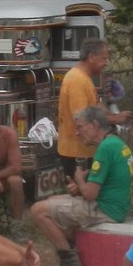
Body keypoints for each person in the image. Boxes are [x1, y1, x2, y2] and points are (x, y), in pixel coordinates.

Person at [29, 107, 133, 266]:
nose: (77, 133)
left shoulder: (105, 149)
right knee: (53, 200)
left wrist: (78, 179)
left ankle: (70, 265)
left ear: (94, 125)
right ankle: (73, 251)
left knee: (37, 210)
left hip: (105, 209)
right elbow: (103, 182)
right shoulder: (115, 143)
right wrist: (80, 187)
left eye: (80, 127)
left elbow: (90, 194)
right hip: (117, 205)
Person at [55, 39, 110, 180]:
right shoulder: (77, 80)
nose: (106, 63)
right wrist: (113, 120)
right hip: (77, 154)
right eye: (104, 58)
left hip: (87, 151)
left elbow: (96, 105)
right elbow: (82, 118)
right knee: (83, 192)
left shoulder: (85, 78)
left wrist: (116, 117)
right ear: (91, 57)